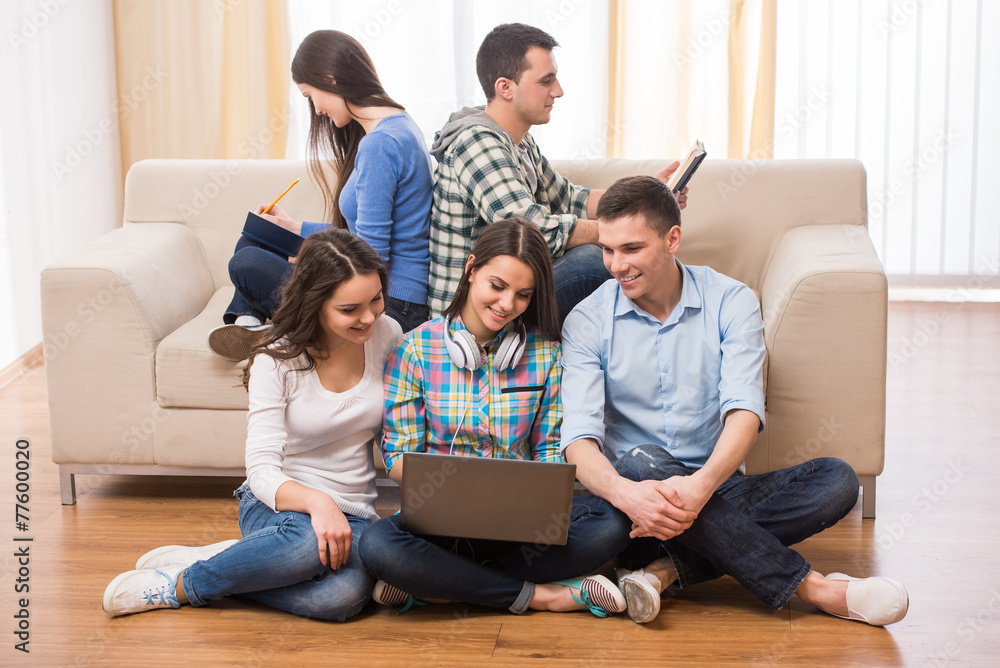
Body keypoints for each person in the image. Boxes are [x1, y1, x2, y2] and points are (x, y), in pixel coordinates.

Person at [559, 175, 909, 626]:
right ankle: (816, 588)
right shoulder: (587, 320)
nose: (616, 265)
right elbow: (578, 441)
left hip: (714, 489)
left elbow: (744, 412)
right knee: (643, 460)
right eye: (608, 250)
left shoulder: (731, 301)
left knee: (838, 480)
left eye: (631, 248)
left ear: (672, 239)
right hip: (636, 508)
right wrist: (626, 493)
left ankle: (664, 571)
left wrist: (700, 488)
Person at [103, 229, 403, 620]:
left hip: (354, 512)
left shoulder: (387, 335)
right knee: (305, 545)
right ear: (315, 304)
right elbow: (261, 471)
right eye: (350, 309)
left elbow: (396, 431)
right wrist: (318, 502)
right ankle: (182, 585)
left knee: (340, 599)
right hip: (278, 503)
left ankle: (241, 561)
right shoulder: (276, 360)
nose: (369, 317)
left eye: (375, 299)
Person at [358, 218, 633, 617]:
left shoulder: (546, 354)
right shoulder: (414, 349)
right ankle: (542, 595)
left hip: (520, 528)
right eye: (497, 286)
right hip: (439, 527)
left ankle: (438, 585)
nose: (507, 304)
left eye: (523, 295)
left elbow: (550, 451)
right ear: (471, 269)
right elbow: (398, 456)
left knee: (612, 524)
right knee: (377, 545)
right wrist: (458, 489)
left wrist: (537, 497)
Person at [428, 23, 689, 322]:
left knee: (629, 253)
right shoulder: (477, 143)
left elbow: (570, 198)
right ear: (505, 87)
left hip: (513, 291)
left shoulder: (519, 140)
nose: (558, 91)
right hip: (475, 311)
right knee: (594, 261)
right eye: (546, 81)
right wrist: (619, 231)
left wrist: (648, 197)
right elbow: (533, 230)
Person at [210, 29, 432, 361]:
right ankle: (250, 323)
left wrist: (308, 263)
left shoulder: (380, 144)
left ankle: (256, 322)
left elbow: (371, 258)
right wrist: (294, 228)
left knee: (246, 262)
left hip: (391, 306)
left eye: (310, 96)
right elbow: (358, 235)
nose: (315, 110)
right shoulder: (397, 125)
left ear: (330, 79)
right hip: (386, 292)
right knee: (254, 238)